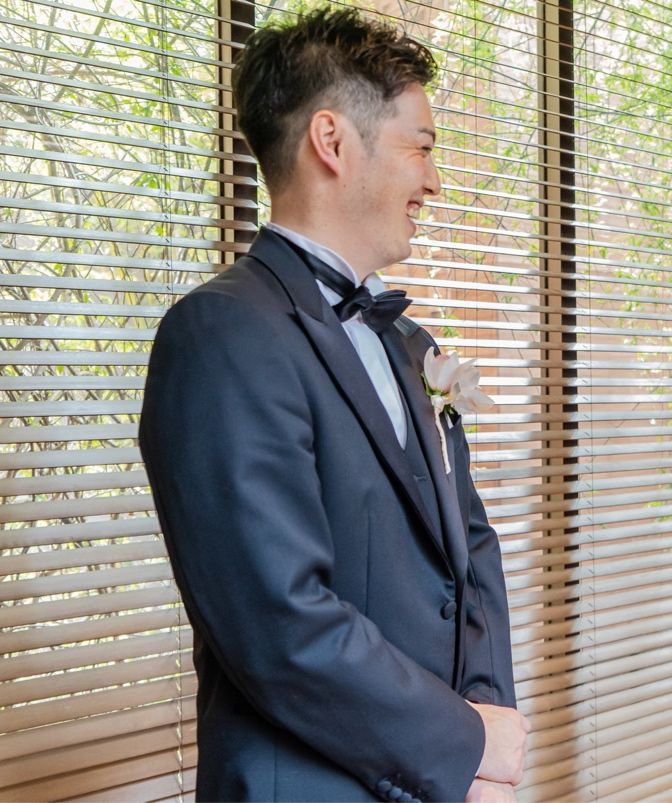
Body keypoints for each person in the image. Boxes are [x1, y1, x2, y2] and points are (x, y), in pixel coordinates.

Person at [139, 8, 527, 802]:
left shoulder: (411, 342)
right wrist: (463, 742)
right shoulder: (219, 334)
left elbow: (470, 552)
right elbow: (278, 622)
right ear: (332, 140)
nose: (434, 180)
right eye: (421, 147)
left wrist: (486, 747)